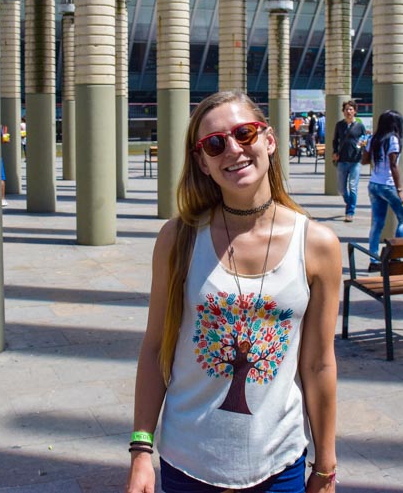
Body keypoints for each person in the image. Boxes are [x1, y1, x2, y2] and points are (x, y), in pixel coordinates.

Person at [127, 91, 341, 493]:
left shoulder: (317, 244)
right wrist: (141, 450)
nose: (233, 149)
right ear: (203, 163)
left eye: (244, 134)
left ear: (270, 141)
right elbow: (156, 348)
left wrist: (325, 466)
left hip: (280, 463)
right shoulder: (179, 238)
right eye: (215, 143)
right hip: (187, 460)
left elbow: (318, 365)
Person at [366, 110, 403, 260]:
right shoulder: (393, 140)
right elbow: (393, 165)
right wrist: (400, 190)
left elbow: (364, 160)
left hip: (374, 184)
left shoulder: (373, 139)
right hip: (388, 185)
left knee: (377, 223)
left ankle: (373, 258)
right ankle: (395, 255)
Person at [331, 100, 367, 222]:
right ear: (343, 111)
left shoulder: (359, 126)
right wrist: (335, 152)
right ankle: (349, 202)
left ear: (355, 111)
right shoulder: (339, 125)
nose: (348, 111)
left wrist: (363, 143)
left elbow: (364, 138)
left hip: (355, 160)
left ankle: (350, 211)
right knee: (341, 188)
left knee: (353, 186)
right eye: (346, 109)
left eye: (351, 109)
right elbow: (335, 140)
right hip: (342, 160)